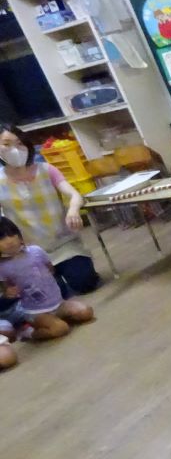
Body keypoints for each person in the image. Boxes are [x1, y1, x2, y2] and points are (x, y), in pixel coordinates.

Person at [0, 123, 99, 296]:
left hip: (64, 243)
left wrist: (73, 210)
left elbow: (75, 195)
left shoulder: (46, 170)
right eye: (7, 144)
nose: (15, 150)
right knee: (54, 294)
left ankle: (72, 271)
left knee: (85, 283)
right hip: (27, 253)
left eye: (19, 143)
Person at [0, 216, 94, 340]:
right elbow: (7, 291)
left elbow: (51, 268)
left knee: (86, 312)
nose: (9, 241)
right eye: (1, 238)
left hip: (58, 303)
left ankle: (54, 320)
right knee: (61, 329)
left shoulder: (36, 251)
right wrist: (9, 293)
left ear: (19, 234)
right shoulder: (2, 267)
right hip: (34, 312)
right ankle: (28, 333)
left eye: (11, 234)